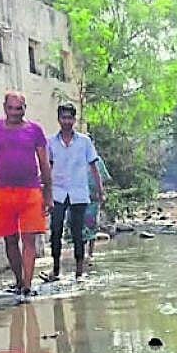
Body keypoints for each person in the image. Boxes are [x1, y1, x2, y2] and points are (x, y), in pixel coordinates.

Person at [0, 91, 53, 296]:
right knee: (10, 240)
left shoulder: (35, 130)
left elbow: (44, 163)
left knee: (29, 240)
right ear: (4, 107)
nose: (14, 113)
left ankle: (27, 286)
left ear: (24, 108)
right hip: (3, 192)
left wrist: (48, 194)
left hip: (31, 191)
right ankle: (19, 280)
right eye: (10, 108)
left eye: (18, 109)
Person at [43, 102, 104, 281]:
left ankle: (79, 270)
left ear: (74, 119)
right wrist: (44, 192)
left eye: (70, 118)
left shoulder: (84, 142)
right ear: (59, 119)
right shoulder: (51, 142)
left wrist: (100, 191)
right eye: (64, 118)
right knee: (56, 230)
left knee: (78, 231)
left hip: (79, 192)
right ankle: (55, 269)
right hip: (58, 192)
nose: (67, 121)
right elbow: (48, 168)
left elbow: (93, 166)